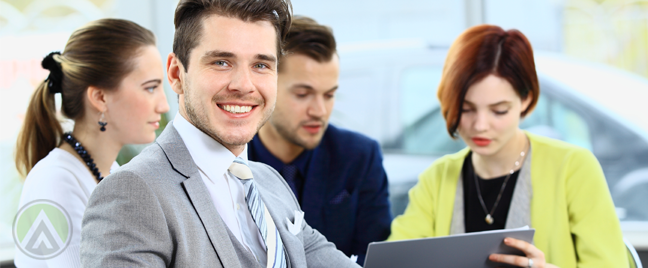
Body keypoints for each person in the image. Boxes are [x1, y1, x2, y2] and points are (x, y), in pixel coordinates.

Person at [80, 1, 360, 267]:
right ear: (177, 74)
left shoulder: (269, 183)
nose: (244, 85)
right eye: (221, 62)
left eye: (261, 65)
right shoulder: (132, 192)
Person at [388, 24, 628, 267]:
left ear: (526, 100)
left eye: (499, 111)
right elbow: (392, 261)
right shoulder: (437, 179)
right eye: (466, 109)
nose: (480, 125)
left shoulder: (573, 168)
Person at [13, 18, 168, 267]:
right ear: (100, 97)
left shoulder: (110, 172)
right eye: (150, 88)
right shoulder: (54, 181)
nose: (164, 105)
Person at [247, 16, 391, 265]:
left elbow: (374, 258)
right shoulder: (231, 161)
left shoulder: (359, 157)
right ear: (267, 84)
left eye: (329, 95)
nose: (320, 111)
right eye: (303, 94)